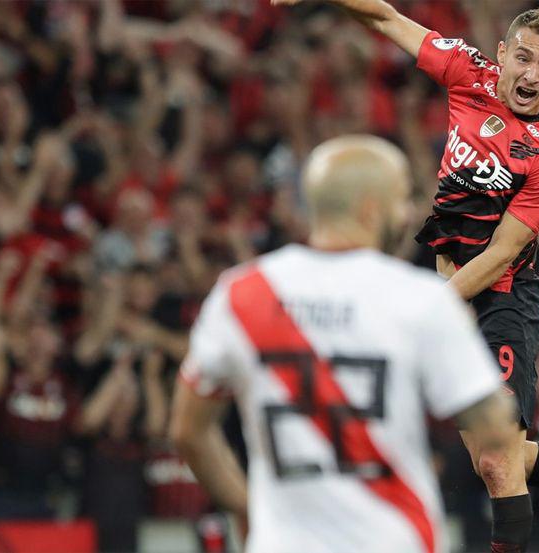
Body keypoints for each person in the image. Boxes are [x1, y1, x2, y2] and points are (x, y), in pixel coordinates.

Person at [270, 2, 539, 552]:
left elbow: (501, 254)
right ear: (504, 55)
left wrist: (430, 307)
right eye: (525, 58)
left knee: (497, 461)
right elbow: (388, 20)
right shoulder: (468, 73)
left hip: (500, 298)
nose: (532, 75)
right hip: (441, 275)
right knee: (497, 456)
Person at [169, 135, 516, 553]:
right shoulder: (421, 299)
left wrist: (248, 508)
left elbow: (188, 432)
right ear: (372, 207)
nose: (409, 213)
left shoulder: (241, 294)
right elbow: (495, 429)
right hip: (394, 538)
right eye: (404, 199)